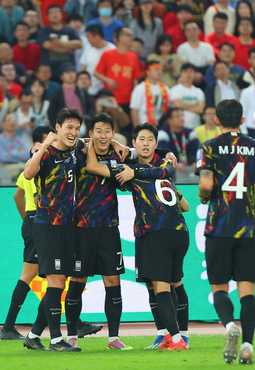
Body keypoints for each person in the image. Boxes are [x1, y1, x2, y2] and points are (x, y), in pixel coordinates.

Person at [88, 122, 189, 351]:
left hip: (156, 231)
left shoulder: (130, 170)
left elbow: (94, 167)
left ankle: (176, 338)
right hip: (178, 232)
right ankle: (173, 335)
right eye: (142, 139)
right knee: (169, 283)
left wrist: (132, 171)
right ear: (134, 143)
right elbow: (185, 205)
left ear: (155, 143)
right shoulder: (161, 166)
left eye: (150, 140)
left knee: (161, 286)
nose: (146, 143)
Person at [197, 99, 255, 365]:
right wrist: (252, 192)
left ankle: (230, 326)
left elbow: (206, 184)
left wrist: (204, 195)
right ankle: (248, 346)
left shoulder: (209, 147)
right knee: (247, 291)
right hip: (248, 229)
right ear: (242, 121)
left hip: (219, 228)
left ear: (216, 120)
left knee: (219, 287)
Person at [64, 113, 137, 350]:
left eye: (107, 131)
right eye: (98, 131)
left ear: (113, 133)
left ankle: (113, 338)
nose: (103, 136)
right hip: (81, 228)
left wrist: (167, 152)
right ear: (91, 133)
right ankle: (72, 335)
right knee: (77, 280)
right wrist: (86, 143)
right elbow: (67, 140)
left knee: (113, 281)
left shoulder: (118, 158)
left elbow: (145, 151)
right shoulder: (79, 152)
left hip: (108, 229)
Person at [23, 108, 84, 352]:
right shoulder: (45, 153)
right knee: (56, 279)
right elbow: (28, 173)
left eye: (77, 128)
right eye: (69, 127)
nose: (74, 132)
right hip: (48, 223)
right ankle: (57, 340)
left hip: (67, 225)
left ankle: (33, 335)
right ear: (57, 128)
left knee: (59, 282)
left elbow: (102, 142)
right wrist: (44, 146)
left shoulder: (76, 150)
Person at [0, 125, 55, 340]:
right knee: (34, 275)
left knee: (53, 275)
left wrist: (26, 220)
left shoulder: (29, 166)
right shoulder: (40, 165)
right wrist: (31, 221)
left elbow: (17, 196)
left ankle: (9, 327)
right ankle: (7, 327)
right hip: (39, 220)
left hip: (33, 220)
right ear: (37, 145)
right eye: (48, 140)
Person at [94, 26, 141, 114]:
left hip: (128, 99)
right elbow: (96, 73)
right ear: (119, 37)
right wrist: (108, 80)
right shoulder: (107, 54)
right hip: (110, 99)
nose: (131, 38)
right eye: (128, 35)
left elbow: (135, 79)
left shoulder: (134, 56)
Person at [37, 4, 83, 80]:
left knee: (69, 91)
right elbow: (48, 45)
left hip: (68, 69)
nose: (54, 14)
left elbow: (79, 44)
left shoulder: (70, 30)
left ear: (62, 15)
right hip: (50, 70)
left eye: (57, 12)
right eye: (52, 13)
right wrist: (69, 48)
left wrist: (59, 43)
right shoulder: (44, 31)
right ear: (48, 16)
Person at [0, 113, 31, 179]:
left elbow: (27, 156)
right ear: (3, 124)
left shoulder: (19, 140)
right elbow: (3, 157)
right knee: (25, 169)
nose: (12, 123)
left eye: (14, 120)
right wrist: (20, 154)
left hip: (19, 165)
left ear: (17, 124)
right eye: (8, 120)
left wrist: (13, 153)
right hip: (2, 167)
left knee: (29, 168)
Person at [158, 107, 199, 173]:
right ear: (169, 120)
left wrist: (196, 162)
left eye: (182, 115)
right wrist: (175, 162)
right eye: (177, 116)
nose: (181, 118)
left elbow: (197, 150)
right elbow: (163, 153)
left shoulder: (191, 132)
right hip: (170, 169)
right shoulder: (162, 133)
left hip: (189, 169)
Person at [130, 61, 170, 128]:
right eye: (156, 69)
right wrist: (136, 128)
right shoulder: (140, 88)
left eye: (161, 70)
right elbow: (134, 109)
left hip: (162, 125)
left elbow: (170, 107)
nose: (159, 72)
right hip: (144, 125)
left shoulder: (166, 89)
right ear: (147, 71)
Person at [79, 24, 115, 97]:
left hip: (104, 90)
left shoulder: (112, 49)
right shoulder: (88, 47)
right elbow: (83, 66)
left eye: (89, 37)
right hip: (88, 89)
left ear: (97, 36)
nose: (88, 40)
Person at [169, 63, 206, 130]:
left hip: (196, 127)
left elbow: (201, 109)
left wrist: (183, 106)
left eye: (191, 72)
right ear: (181, 73)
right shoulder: (175, 89)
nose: (188, 74)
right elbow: (177, 104)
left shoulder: (198, 91)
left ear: (195, 74)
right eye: (186, 71)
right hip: (179, 128)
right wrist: (195, 105)